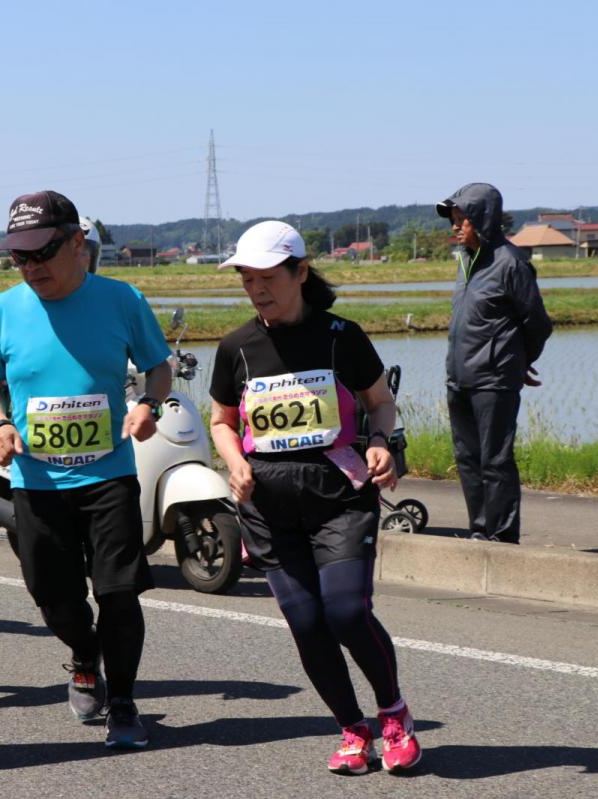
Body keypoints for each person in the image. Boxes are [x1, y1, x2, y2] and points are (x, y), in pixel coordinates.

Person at [208, 221, 421, 775]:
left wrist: (379, 442)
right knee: (306, 622)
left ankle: (393, 714)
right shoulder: (236, 346)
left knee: (347, 611)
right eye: (247, 280)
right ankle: (352, 730)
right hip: (268, 507)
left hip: (339, 498)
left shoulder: (340, 337)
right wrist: (235, 464)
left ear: (300, 272)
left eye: (268, 277)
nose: (256, 290)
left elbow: (380, 400)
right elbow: (221, 420)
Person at [0, 190, 171, 749]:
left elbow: (158, 366)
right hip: (36, 482)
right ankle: (85, 657)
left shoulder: (122, 299)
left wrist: (147, 406)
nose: (32, 267)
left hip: (108, 475)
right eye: (20, 258)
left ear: (77, 244)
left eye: (43, 253)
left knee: (118, 593)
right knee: (54, 597)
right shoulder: (3, 310)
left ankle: (125, 704)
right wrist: (0, 425)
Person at [436, 183, 552, 544]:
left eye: (462, 219)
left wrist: (518, 361)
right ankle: (480, 530)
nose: (456, 227)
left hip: (494, 380)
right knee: (468, 459)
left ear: (483, 219)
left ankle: (501, 537)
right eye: (453, 220)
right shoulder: (466, 261)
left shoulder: (511, 263)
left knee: (495, 461)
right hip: (459, 377)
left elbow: (537, 323)